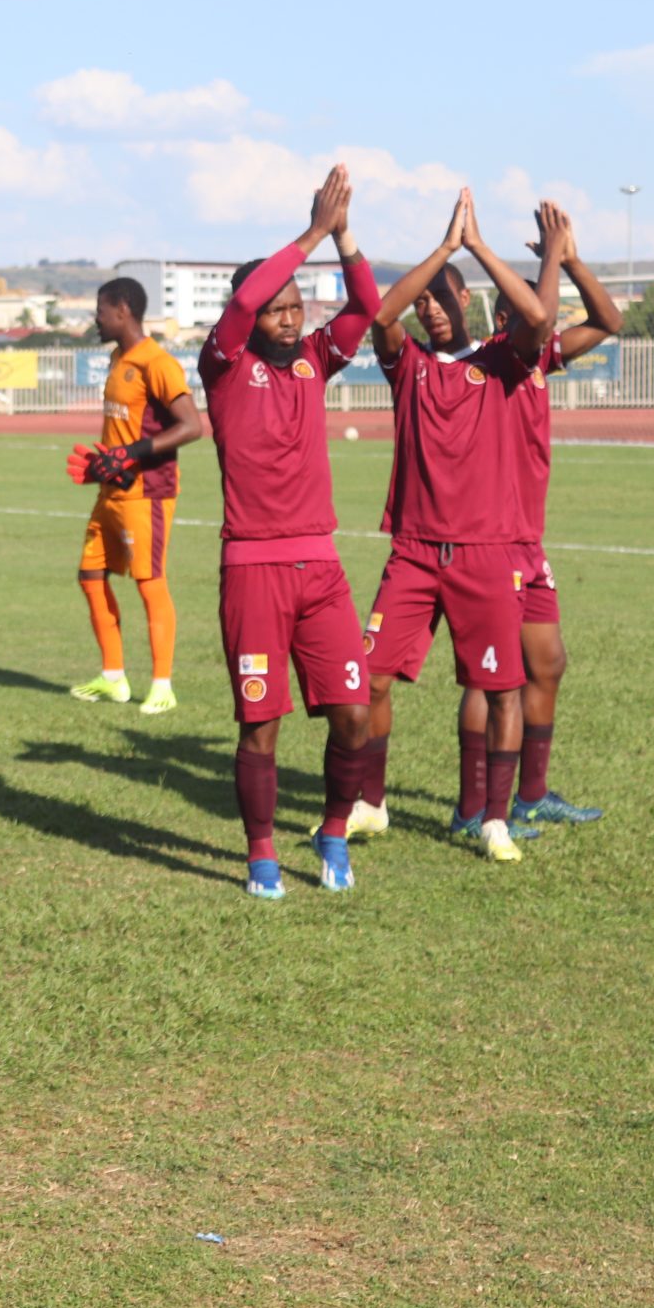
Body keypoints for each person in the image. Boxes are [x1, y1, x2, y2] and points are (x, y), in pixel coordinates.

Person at [197, 166, 379, 898]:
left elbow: (366, 304)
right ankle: (262, 854)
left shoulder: (315, 359)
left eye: (296, 307)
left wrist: (343, 236)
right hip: (253, 571)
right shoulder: (224, 365)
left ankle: (333, 831)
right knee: (260, 725)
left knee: (356, 716)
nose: (289, 319)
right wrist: (311, 233)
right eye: (277, 309)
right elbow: (245, 298)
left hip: (320, 568)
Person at [361, 189, 557, 863]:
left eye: (443, 297)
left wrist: (476, 248)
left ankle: (495, 820)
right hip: (413, 554)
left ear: (467, 298)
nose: (431, 309)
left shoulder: (501, 361)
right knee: (370, 679)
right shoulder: (408, 365)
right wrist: (443, 249)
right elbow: (380, 314)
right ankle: (371, 802)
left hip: (485, 554)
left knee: (501, 689)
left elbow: (539, 316)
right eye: (424, 301)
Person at [440, 202, 618, 832]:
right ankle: (471, 808)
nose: (546, 321)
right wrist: (548, 263)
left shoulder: (538, 360)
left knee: (547, 663)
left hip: (527, 541)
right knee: (489, 679)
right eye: (532, 312)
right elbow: (540, 318)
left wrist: (570, 260)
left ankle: (532, 794)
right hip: (490, 542)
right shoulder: (493, 360)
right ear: (506, 319)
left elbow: (609, 319)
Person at [65, 278, 203, 714]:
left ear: (122, 310)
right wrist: (102, 464)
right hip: (112, 491)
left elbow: (192, 426)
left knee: (149, 582)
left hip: (148, 493)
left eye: (100, 311)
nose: (96, 319)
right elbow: (124, 429)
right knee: (90, 576)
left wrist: (129, 453)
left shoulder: (157, 363)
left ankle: (162, 686)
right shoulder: (117, 358)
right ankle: (113, 678)